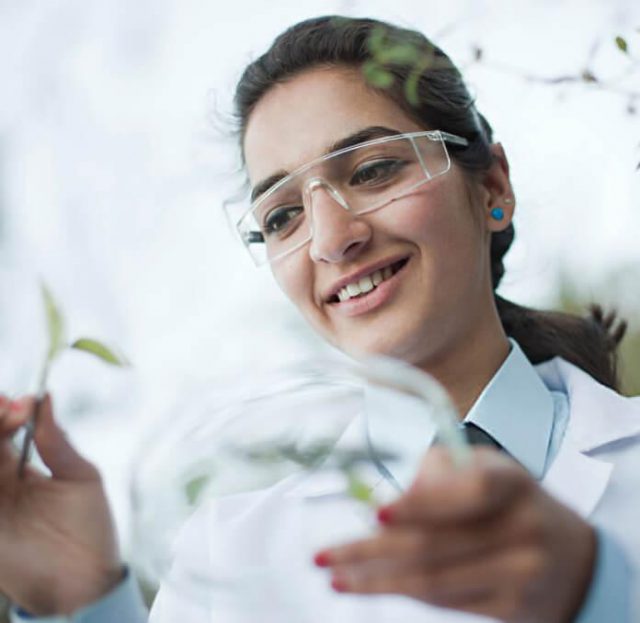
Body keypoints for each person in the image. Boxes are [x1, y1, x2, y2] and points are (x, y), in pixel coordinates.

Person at [1, 14, 639, 623]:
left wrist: (595, 595)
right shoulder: (230, 554)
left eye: (373, 170)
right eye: (283, 217)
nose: (332, 239)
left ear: (493, 187)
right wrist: (83, 602)